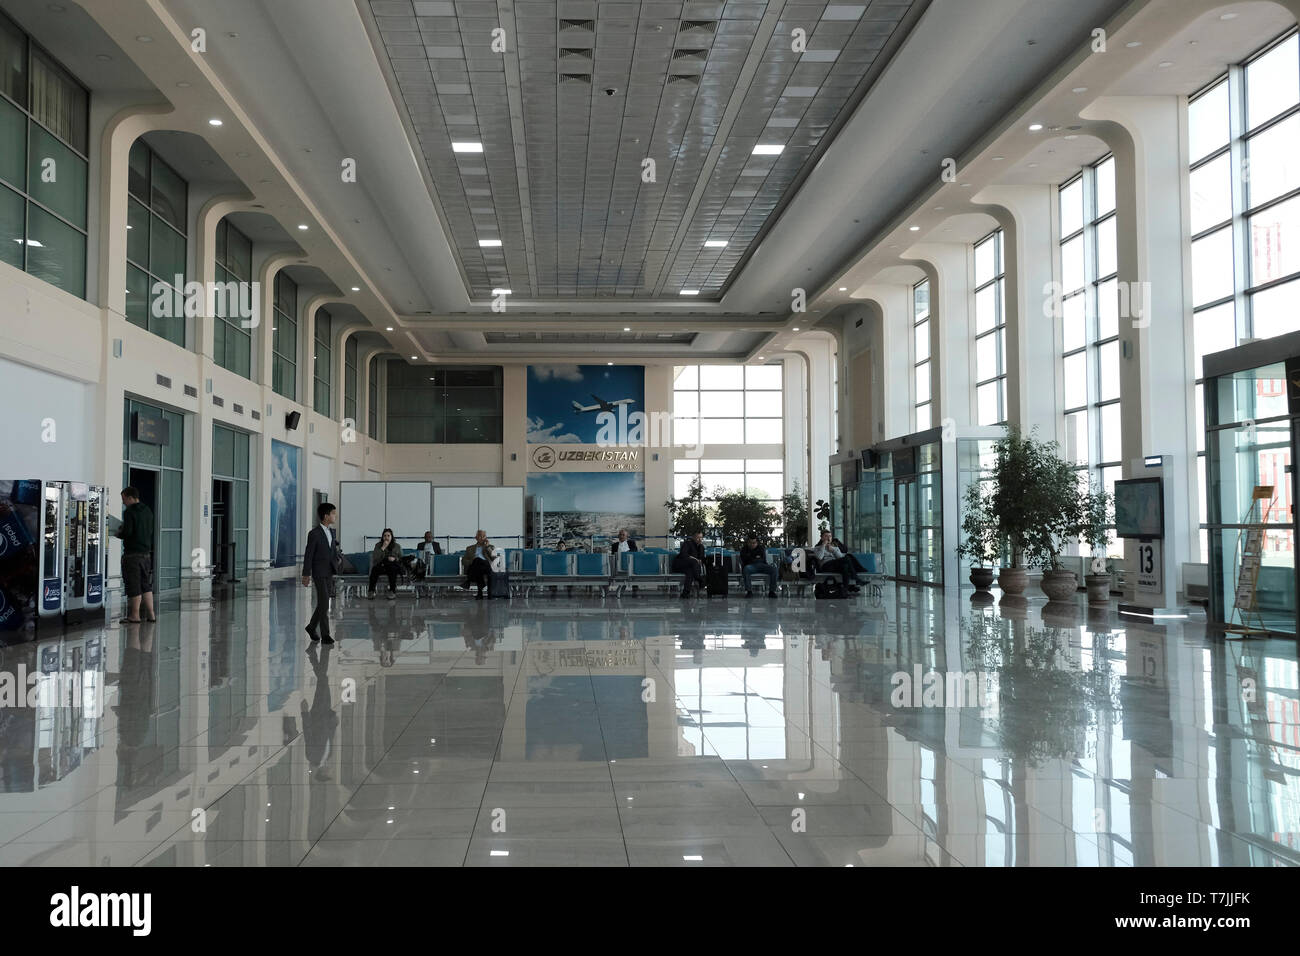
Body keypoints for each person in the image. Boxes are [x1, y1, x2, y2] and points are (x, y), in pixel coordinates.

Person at [116, 487, 156, 624]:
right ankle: (151, 614)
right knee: (146, 584)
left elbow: (128, 532)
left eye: (124, 499)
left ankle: (134, 615)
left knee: (134, 585)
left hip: (132, 555)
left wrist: (118, 533)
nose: (123, 503)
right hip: (146, 554)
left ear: (130, 497)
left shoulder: (129, 512)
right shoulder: (148, 511)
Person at [302, 502, 340, 644]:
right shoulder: (314, 534)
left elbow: (332, 551)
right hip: (318, 572)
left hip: (329, 571)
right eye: (333, 513)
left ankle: (312, 627)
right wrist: (306, 574)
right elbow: (309, 555)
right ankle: (325, 635)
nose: (335, 516)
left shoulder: (331, 531)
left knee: (324, 603)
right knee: (324, 602)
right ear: (326, 516)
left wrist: (337, 561)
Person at [368, 528, 402, 600]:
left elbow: (401, 559)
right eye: (385, 536)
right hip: (382, 566)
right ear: (382, 537)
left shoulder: (397, 546)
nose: (386, 537)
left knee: (392, 569)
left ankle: (392, 591)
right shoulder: (378, 545)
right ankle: (371, 591)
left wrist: (395, 559)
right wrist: (383, 547)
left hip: (393, 566)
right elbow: (375, 558)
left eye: (388, 535)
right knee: (375, 569)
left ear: (391, 537)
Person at [672, 531, 706, 599]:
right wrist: (695, 559)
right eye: (698, 537)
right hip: (680, 565)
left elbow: (701, 559)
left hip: (691, 568)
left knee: (690, 572)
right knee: (693, 562)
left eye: (701, 538)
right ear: (693, 537)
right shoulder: (687, 543)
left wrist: (699, 560)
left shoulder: (701, 547)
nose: (700, 539)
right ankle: (700, 579)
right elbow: (684, 555)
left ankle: (685, 593)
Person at [463, 530, 495, 600]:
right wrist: (472, 561)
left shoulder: (491, 547)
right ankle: (489, 594)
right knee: (477, 562)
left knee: (479, 562)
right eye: (480, 536)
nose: (482, 538)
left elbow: (493, 558)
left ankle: (479, 593)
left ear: (486, 538)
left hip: (486, 567)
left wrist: (487, 547)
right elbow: (464, 561)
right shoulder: (469, 548)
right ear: (476, 538)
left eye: (484, 536)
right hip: (475, 567)